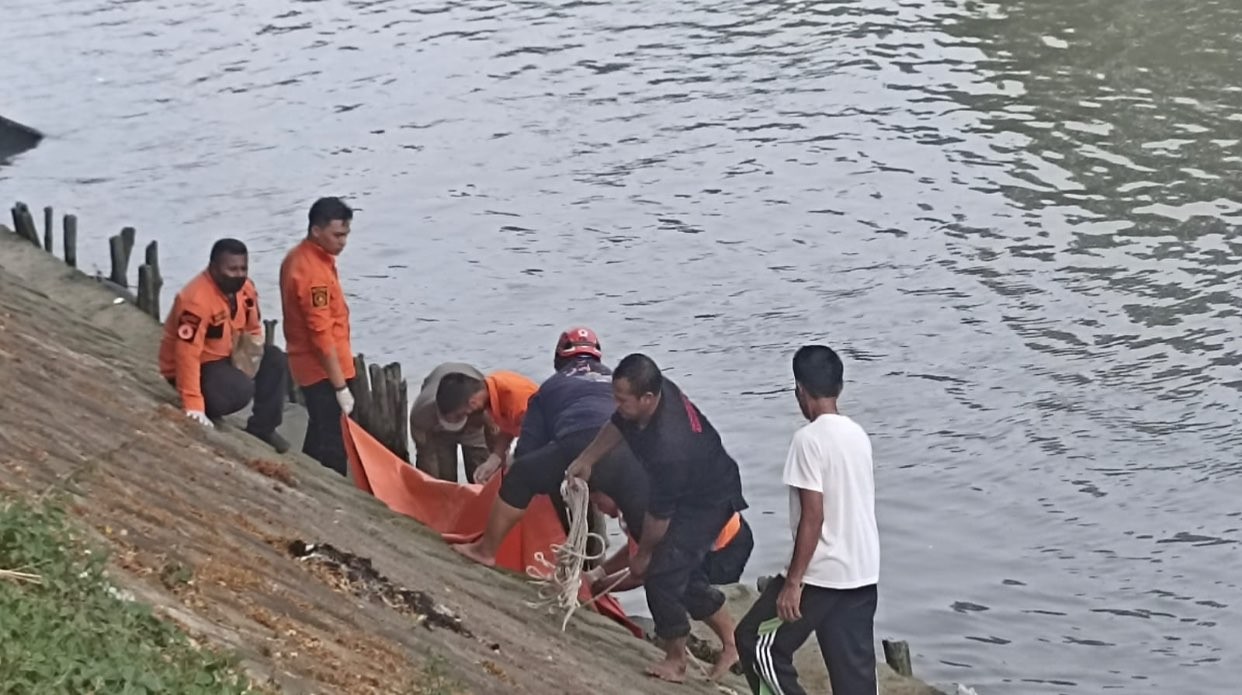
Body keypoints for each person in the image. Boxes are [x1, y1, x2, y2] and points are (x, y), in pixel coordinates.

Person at [566, 353, 748, 683]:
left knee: (660, 574)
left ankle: (676, 661)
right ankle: (733, 643)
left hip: (708, 500)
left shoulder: (671, 445)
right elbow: (618, 424)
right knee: (682, 574)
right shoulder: (644, 401)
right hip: (689, 487)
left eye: (622, 399)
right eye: (615, 396)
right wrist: (587, 459)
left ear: (648, 398)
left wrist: (643, 555)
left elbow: (658, 517)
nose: (616, 403)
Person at [734, 345, 880, 695]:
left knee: (756, 643)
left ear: (800, 390)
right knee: (854, 679)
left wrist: (793, 582)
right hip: (861, 572)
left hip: (821, 575)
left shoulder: (808, 441)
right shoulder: (857, 435)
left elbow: (813, 517)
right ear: (840, 387)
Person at [451, 327, 648, 568]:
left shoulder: (550, 388)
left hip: (578, 438)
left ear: (560, 358)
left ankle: (485, 551)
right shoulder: (615, 380)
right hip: (630, 445)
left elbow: (527, 452)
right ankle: (605, 574)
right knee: (645, 531)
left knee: (520, 478)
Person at [158, 239, 289, 452]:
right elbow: (186, 354)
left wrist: (251, 357)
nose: (238, 274)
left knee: (275, 359)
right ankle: (208, 404)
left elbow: (253, 328)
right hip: (201, 365)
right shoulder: (196, 301)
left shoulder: (246, 290)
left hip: (227, 354)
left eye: (243, 268)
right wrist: (193, 404)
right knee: (240, 389)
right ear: (214, 268)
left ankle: (264, 428)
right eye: (232, 269)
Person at [279, 196, 356, 476]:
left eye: (346, 235)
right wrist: (340, 387)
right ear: (316, 230)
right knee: (334, 437)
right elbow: (321, 335)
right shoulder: (312, 273)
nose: (343, 242)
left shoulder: (309, 258)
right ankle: (332, 484)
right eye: (337, 235)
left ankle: (307, 472)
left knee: (319, 426)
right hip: (321, 369)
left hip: (320, 364)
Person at [586, 492, 754, 592]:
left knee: (703, 598)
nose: (599, 510)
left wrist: (597, 586)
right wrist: (599, 572)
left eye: (599, 502)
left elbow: (644, 572)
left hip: (726, 545)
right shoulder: (629, 505)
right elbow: (639, 550)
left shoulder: (642, 510)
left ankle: (729, 645)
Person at [434, 368, 538, 480]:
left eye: (465, 413)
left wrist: (513, 467)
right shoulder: (491, 388)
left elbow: (536, 440)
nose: (469, 415)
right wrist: (495, 457)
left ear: (472, 403)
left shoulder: (516, 402)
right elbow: (508, 428)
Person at [408, 362, 497, 482]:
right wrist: (433, 485)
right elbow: (426, 456)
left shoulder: (483, 406)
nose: (454, 422)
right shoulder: (421, 415)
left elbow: (497, 445)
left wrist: (495, 462)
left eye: (458, 417)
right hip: (439, 431)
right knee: (443, 476)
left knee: (482, 474)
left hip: (475, 425)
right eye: (449, 419)